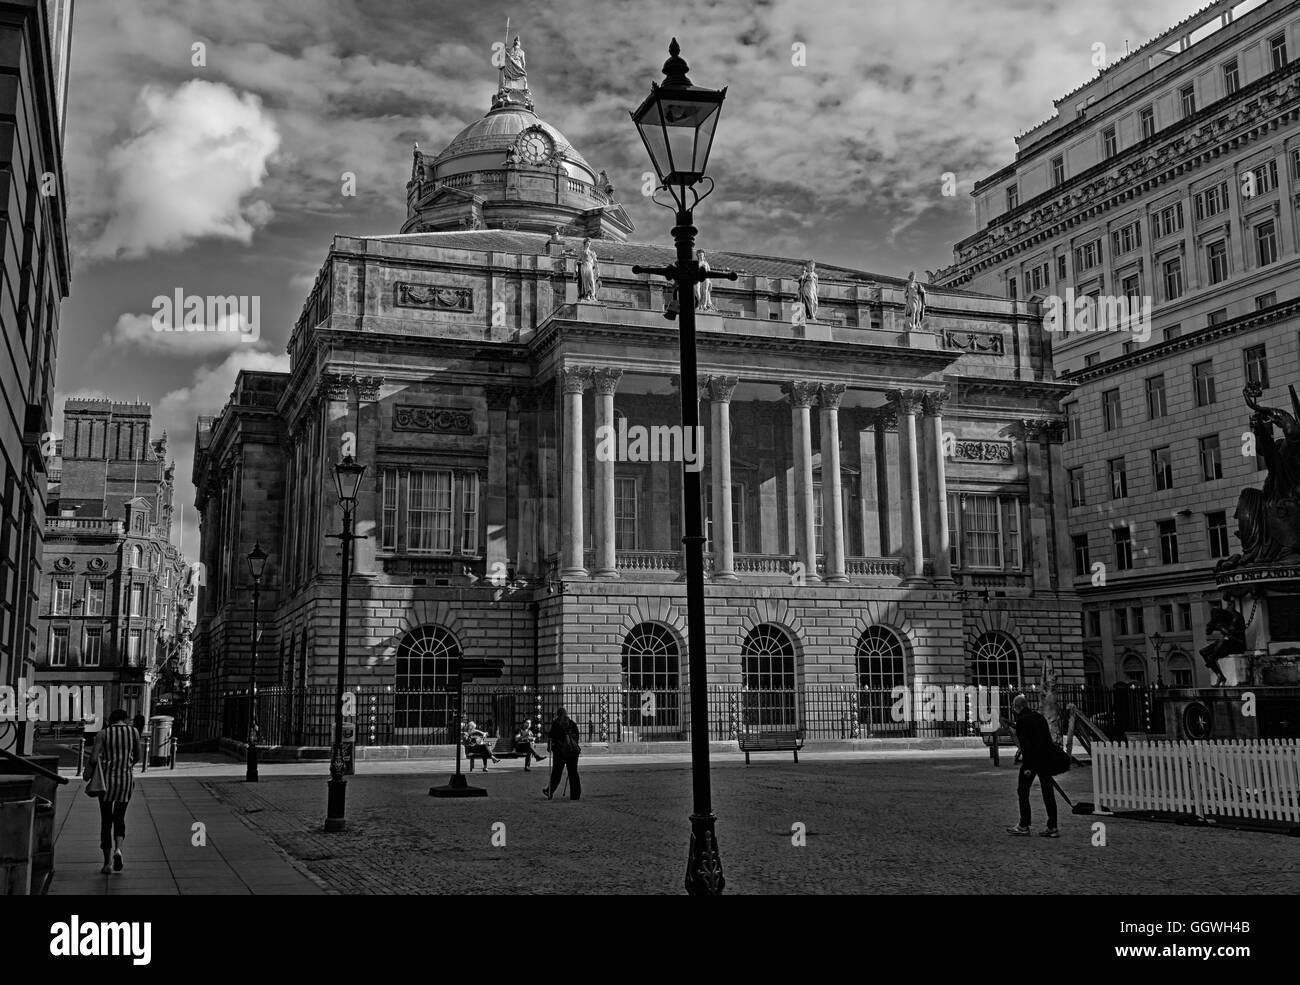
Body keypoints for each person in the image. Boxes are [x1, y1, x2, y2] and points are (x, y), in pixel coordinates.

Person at [91, 709, 138, 873]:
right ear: (124, 719)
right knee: (120, 817)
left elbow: (93, 758)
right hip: (125, 781)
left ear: (111, 719)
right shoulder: (133, 732)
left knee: (106, 820)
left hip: (106, 782)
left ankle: (107, 863)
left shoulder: (103, 734)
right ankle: (119, 849)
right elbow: (137, 756)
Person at [1006, 694, 1059, 838]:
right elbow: (1047, 739)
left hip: (1032, 761)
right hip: (1045, 759)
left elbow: (1026, 746)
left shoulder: (1022, 721)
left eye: (1013, 707)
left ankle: (1024, 824)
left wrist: (1028, 766)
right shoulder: (1039, 717)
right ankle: (1052, 825)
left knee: (1023, 791)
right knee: (1048, 793)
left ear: (1018, 707)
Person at [541, 708, 581, 801]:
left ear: (558, 715)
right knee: (573, 773)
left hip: (560, 752)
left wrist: (550, 746)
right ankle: (575, 795)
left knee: (556, 772)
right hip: (572, 752)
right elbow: (576, 738)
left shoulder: (556, 724)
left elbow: (551, 737)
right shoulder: (572, 724)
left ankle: (550, 791)